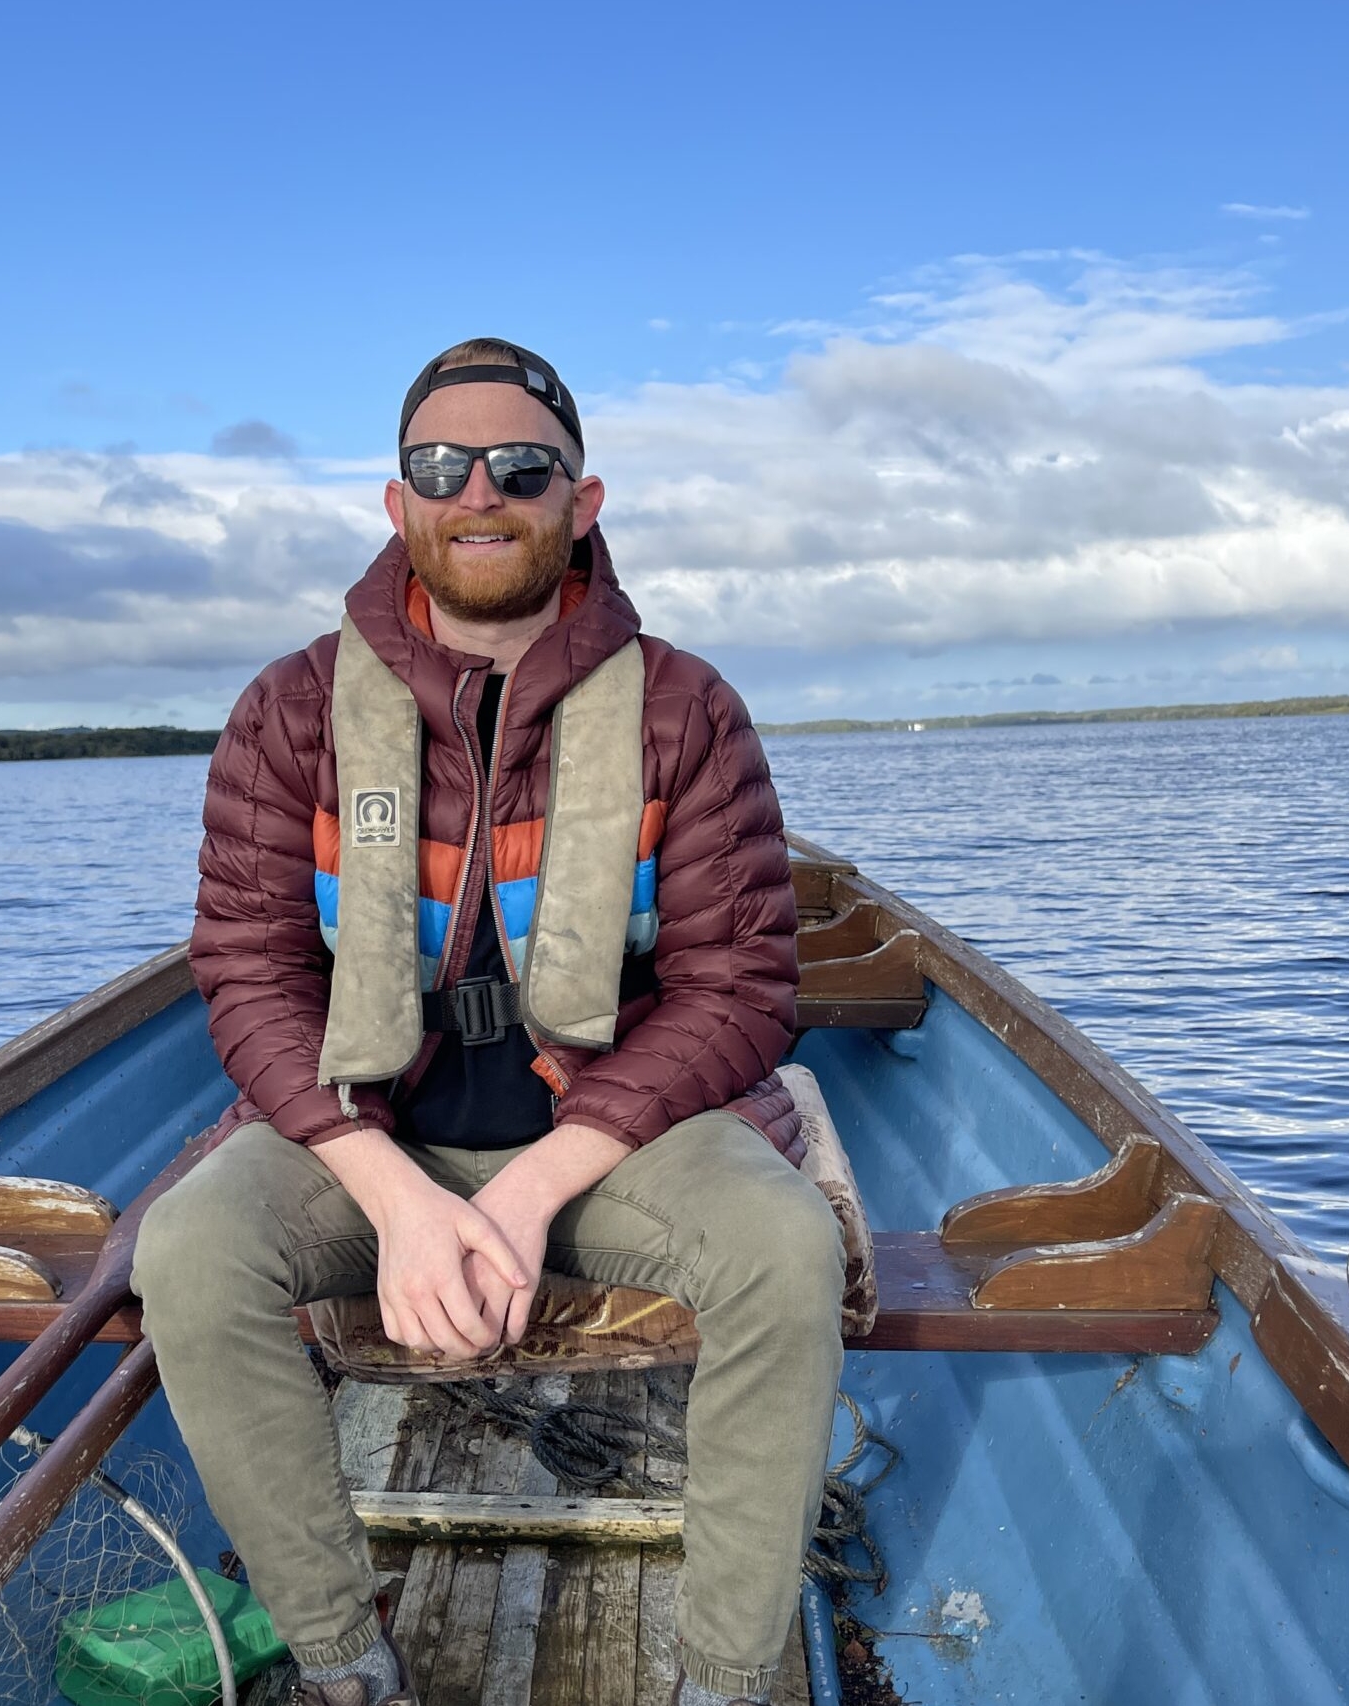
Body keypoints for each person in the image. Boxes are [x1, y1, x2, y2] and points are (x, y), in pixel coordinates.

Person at [133, 338, 844, 1706]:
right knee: (191, 1247)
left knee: (783, 1247)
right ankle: (349, 1665)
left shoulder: (686, 711)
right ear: (396, 503)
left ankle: (723, 1680)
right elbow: (250, 972)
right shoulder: (290, 712)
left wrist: (529, 1192)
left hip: (616, 1135)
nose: (480, 490)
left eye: (521, 467)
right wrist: (392, 1195)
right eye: (440, 466)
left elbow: (739, 990)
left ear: (580, 503)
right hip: (367, 1129)